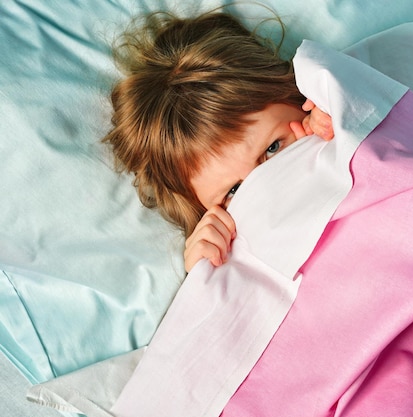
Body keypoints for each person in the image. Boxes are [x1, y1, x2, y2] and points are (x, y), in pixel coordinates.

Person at [102, 10, 334, 272]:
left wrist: (341, 114)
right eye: (234, 190)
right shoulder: (227, 254)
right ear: (204, 214)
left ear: (298, 96)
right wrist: (205, 272)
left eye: (273, 148)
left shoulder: (335, 119)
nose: (270, 185)